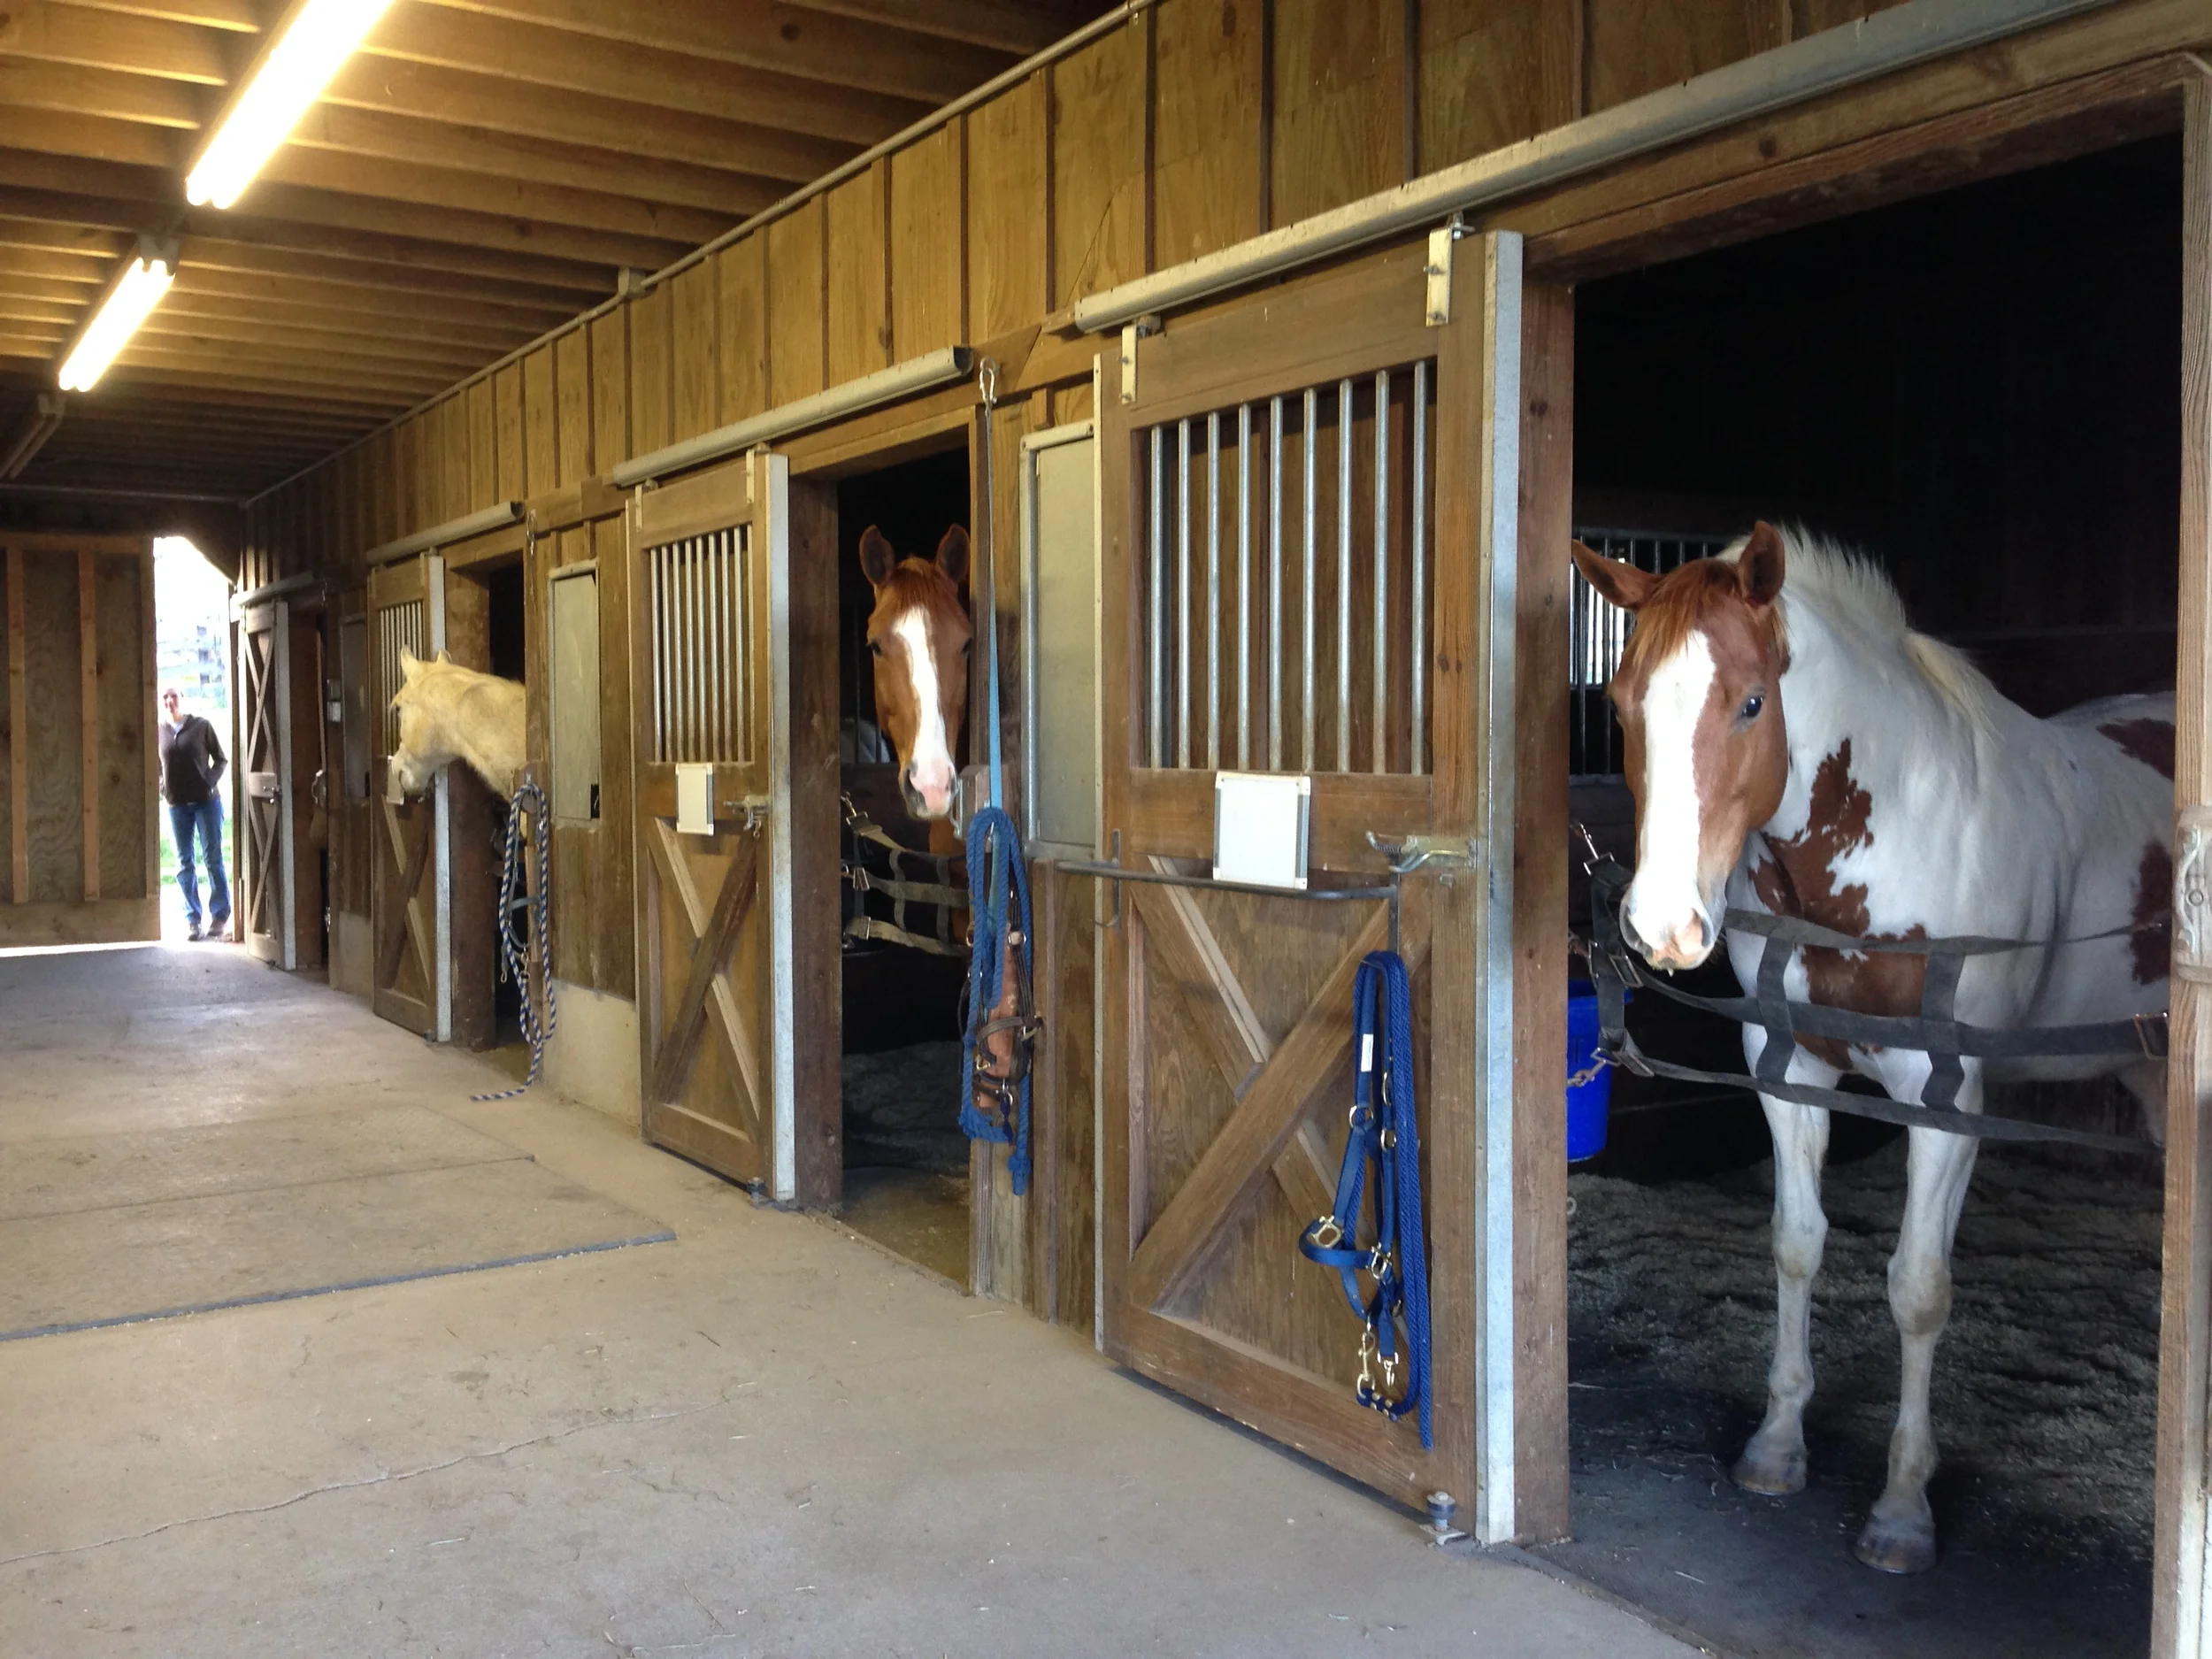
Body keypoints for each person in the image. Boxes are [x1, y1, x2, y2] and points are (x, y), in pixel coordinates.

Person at [158, 686, 229, 941]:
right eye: (165, 697)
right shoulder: (159, 731)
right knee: (183, 862)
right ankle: (192, 920)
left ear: (183, 698)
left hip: (206, 803)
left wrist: (209, 782)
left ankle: (220, 915)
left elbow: (221, 759)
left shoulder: (201, 726)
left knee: (212, 857)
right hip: (177, 805)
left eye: (174, 696)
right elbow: (156, 764)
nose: (169, 701)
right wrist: (162, 787)